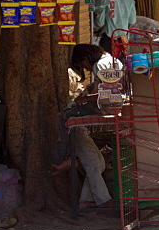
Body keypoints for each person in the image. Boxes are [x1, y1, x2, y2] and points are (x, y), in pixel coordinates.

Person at [52, 43, 121, 209]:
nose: (86, 68)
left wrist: (85, 99)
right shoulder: (112, 61)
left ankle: (86, 198)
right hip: (100, 110)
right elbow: (105, 88)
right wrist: (89, 92)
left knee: (96, 162)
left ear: (86, 58)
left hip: (94, 110)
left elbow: (108, 93)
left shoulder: (101, 65)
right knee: (96, 162)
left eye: (83, 65)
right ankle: (93, 200)